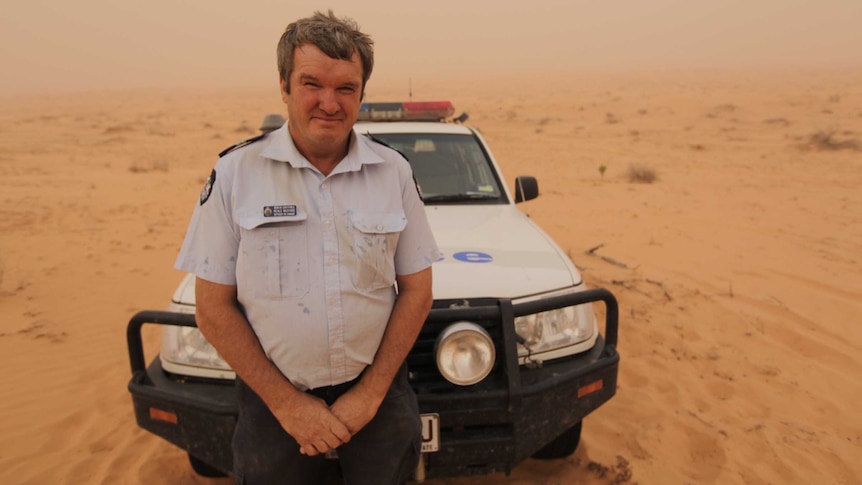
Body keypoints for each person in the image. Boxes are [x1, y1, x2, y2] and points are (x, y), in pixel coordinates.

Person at [174, 10, 439, 485]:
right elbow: (212, 308)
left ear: (361, 92)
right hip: (273, 404)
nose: (329, 103)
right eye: (312, 84)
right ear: (284, 86)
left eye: (345, 88)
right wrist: (286, 403)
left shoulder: (393, 172)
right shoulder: (237, 176)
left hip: (379, 398)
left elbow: (417, 290)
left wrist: (371, 393)